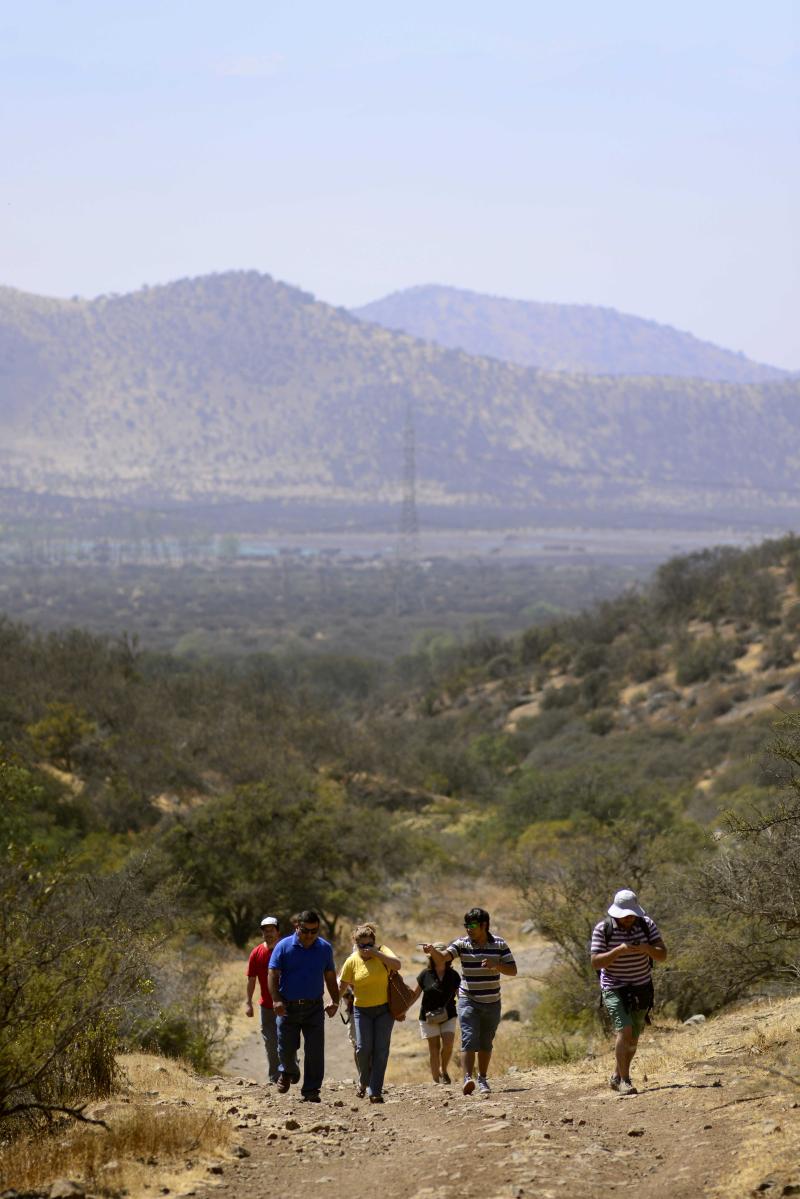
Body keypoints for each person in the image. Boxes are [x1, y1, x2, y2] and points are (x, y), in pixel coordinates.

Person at [424, 906, 516, 1096]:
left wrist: (495, 965)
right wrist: (432, 951)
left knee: (485, 1041)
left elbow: (513, 970)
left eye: (472, 925)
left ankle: (482, 1078)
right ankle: (468, 1078)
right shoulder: (462, 944)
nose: (468, 929)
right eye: (466, 925)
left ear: (484, 925)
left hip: (492, 1001)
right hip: (468, 999)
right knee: (469, 1037)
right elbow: (442, 958)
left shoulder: (499, 944)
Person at [590, 888, 667, 1097]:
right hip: (613, 986)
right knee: (624, 1030)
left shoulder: (647, 924)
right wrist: (618, 951)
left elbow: (662, 955)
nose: (628, 919)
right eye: (624, 916)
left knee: (633, 1037)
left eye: (631, 915)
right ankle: (625, 1080)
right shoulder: (602, 929)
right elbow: (595, 961)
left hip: (642, 986)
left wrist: (646, 948)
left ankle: (616, 1075)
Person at [268, 910, 340, 1103]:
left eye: (313, 931)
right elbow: (273, 974)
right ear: (296, 927)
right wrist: (276, 1000)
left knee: (315, 1051)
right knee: (285, 1049)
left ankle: (311, 1090)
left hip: (314, 1008)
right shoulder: (283, 947)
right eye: (305, 931)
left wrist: (335, 1000)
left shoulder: (324, 948)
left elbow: (330, 976)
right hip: (287, 1007)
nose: (309, 935)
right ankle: (288, 1071)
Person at [338, 923, 401, 1103]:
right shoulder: (352, 961)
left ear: (374, 943)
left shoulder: (382, 952)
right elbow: (342, 985)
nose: (365, 949)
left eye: (368, 945)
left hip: (384, 1010)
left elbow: (397, 965)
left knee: (381, 1050)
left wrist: (376, 953)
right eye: (361, 946)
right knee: (363, 1048)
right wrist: (333, 1003)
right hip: (361, 1011)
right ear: (356, 945)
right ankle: (363, 1080)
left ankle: (375, 1090)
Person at [245, 916, 298, 1085]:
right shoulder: (256, 953)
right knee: (270, 1042)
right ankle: (275, 1076)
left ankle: (291, 1067)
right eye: (265, 930)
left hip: (287, 1004)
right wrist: (248, 1002)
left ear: (278, 931)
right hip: (267, 1006)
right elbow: (251, 979)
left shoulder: (287, 950)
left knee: (287, 1039)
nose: (268, 933)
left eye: (271, 930)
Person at [407, 942, 460, 1085]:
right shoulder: (425, 974)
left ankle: (444, 1069)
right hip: (428, 1016)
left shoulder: (454, 975)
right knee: (434, 1048)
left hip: (449, 1014)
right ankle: (436, 1081)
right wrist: (403, 1010)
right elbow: (415, 994)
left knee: (448, 1044)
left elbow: (461, 995)